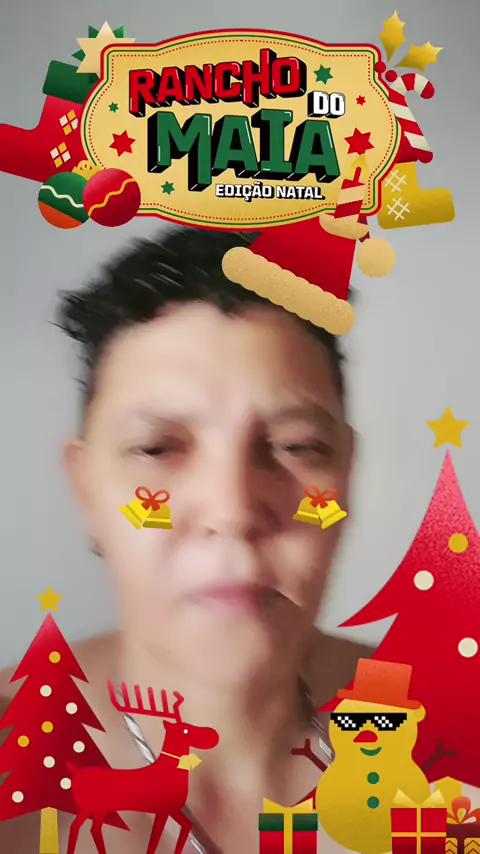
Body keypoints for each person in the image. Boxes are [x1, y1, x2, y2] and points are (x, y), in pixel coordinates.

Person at [0, 226, 372, 853]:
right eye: (157, 448)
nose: (232, 510)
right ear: (86, 489)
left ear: (347, 475)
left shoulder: (448, 729)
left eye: (297, 446)